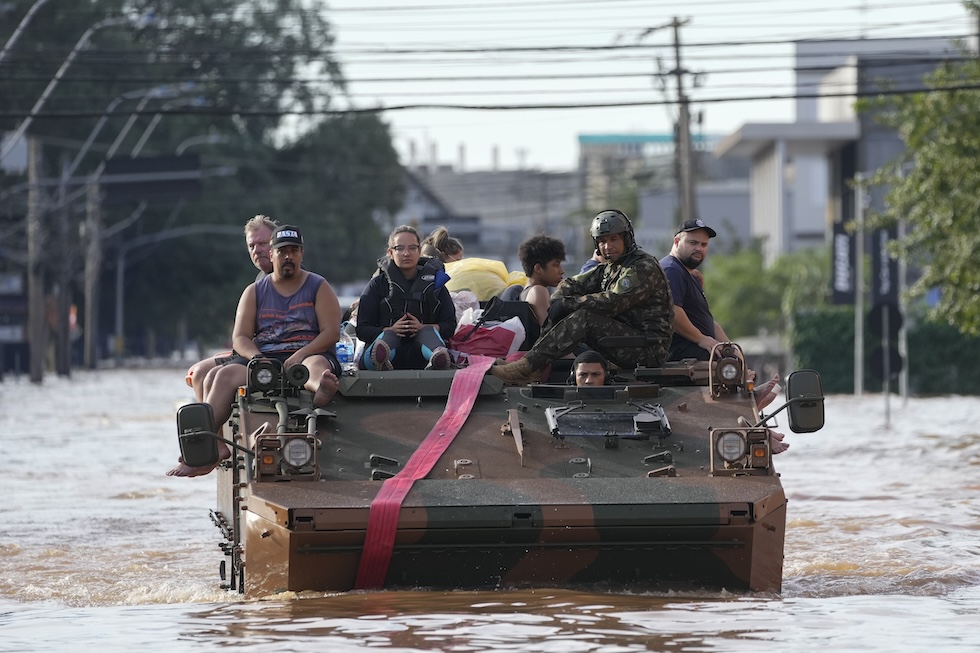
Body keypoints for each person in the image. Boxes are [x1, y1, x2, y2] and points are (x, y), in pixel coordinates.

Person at [168, 224, 342, 477]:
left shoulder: (318, 286)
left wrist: (300, 354)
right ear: (272, 255)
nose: (288, 257)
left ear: (302, 254)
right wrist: (258, 358)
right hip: (265, 360)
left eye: (294, 251)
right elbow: (239, 337)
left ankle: (320, 389)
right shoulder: (254, 292)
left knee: (316, 367)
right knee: (222, 376)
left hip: (307, 352)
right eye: (282, 252)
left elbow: (330, 333)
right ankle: (202, 450)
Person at [490, 209, 673, 384]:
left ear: (626, 239)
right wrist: (559, 302)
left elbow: (613, 302)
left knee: (584, 317)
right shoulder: (612, 267)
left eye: (613, 239)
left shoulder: (642, 267)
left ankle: (527, 366)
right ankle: (533, 367)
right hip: (627, 339)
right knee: (561, 309)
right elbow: (572, 283)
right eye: (602, 241)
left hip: (648, 347)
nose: (607, 246)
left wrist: (569, 304)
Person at [660, 218, 780, 409]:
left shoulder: (687, 274)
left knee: (732, 362)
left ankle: (752, 410)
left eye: (704, 244)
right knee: (727, 372)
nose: (699, 248)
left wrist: (732, 351)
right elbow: (672, 312)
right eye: (692, 243)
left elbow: (709, 323)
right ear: (676, 242)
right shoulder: (671, 269)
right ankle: (746, 406)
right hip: (681, 351)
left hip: (695, 348)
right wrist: (702, 339)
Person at [185, 214, 277, 401]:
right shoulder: (260, 280)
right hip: (252, 352)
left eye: (262, 243)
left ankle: (213, 423)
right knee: (199, 372)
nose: (257, 250)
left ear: (277, 245)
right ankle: (211, 428)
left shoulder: (290, 278)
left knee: (213, 376)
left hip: (272, 355)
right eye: (251, 246)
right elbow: (243, 335)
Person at [355, 225, 456, 371]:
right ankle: (380, 358)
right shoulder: (377, 285)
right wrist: (390, 329)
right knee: (388, 337)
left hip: (422, 354)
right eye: (400, 248)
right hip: (387, 348)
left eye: (412, 248)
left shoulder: (435, 284)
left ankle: (438, 356)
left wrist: (422, 328)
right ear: (390, 252)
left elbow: (450, 325)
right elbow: (362, 329)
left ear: (419, 251)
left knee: (427, 333)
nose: (406, 253)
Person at [513, 234, 566, 327]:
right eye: (556, 265)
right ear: (538, 268)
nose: (561, 271)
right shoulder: (538, 290)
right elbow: (549, 333)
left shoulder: (526, 292)